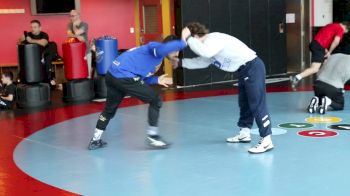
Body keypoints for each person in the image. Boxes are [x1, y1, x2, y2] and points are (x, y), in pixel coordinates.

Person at [179, 22, 273, 154]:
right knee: (245, 103)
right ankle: (245, 133)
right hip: (243, 70)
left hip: (252, 67)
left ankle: (266, 140)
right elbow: (201, 61)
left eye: (194, 40)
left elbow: (205, 52)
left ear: (197, 36)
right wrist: (179, 63)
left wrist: (186, 38)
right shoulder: (209, 49)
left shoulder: (214, 39)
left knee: (257, 103)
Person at [88, 35, 187, 150]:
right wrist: (184, 42)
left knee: (109, 110)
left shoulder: (153, 59)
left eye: (178, 51)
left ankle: (95, 140)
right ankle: (153, 137)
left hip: (112, 75)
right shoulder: (155, 48)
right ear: (168, 47)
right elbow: (162, 49)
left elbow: (140, 78)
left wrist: (157, 80)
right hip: (123, 76)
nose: (177, 54)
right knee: (156, 100)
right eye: (175, 50)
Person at [290, 21, 350, 90]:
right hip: (319, 47)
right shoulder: (340, 28)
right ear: (346, 28)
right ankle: (296, 78)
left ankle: (322, 83)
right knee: (315, 68)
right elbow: (336, 41)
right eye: (345, 33)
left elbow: (323, 38)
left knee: (327, 61)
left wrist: (327, 51)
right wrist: (329, 52)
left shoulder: (330, 25)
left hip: (316, 44)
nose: (343, 33)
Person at [18, 20, 55, 85]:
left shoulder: (44, 34)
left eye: (35, 27)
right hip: (31, 57)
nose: (33, 29)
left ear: (40, 28)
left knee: (46, 61)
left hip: (43, 56)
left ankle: (48, 80)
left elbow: (44, 43)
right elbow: (19, 42)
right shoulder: (28, 35)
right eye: (31, 27)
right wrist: (21, 39)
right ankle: (24, 80)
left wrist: (31, 40)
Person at [67, 10, 92, 78]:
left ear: (78, 15)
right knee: (78, 72)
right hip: (75, 53)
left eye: (73, 16)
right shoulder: (69, 24)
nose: (71, 18)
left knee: (88, 73)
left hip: (86, 51)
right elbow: (69, 34)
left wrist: (74, 25)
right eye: (70, 16)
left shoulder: (84, 24)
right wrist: (78, 37)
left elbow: (76, 32)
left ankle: (89, 87)